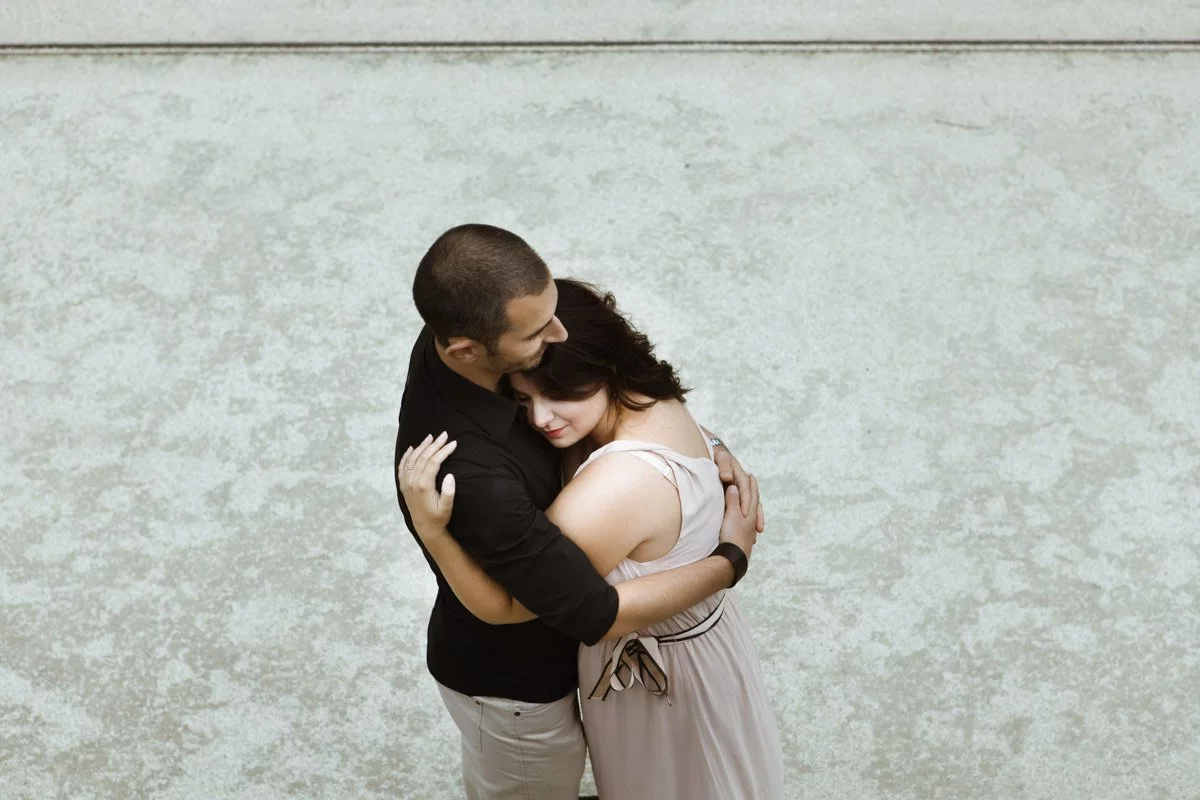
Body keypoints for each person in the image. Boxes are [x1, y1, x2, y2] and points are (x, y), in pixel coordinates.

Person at [394, 224, 764, 800]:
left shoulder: (464, 327)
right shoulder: (477, 478)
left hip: (586, 664)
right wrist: (732, 557)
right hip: (517, 689)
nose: (558, 332)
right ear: (465, 347)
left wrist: (707, 448)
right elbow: (580, 610)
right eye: (539, 334)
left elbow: (624, 385)